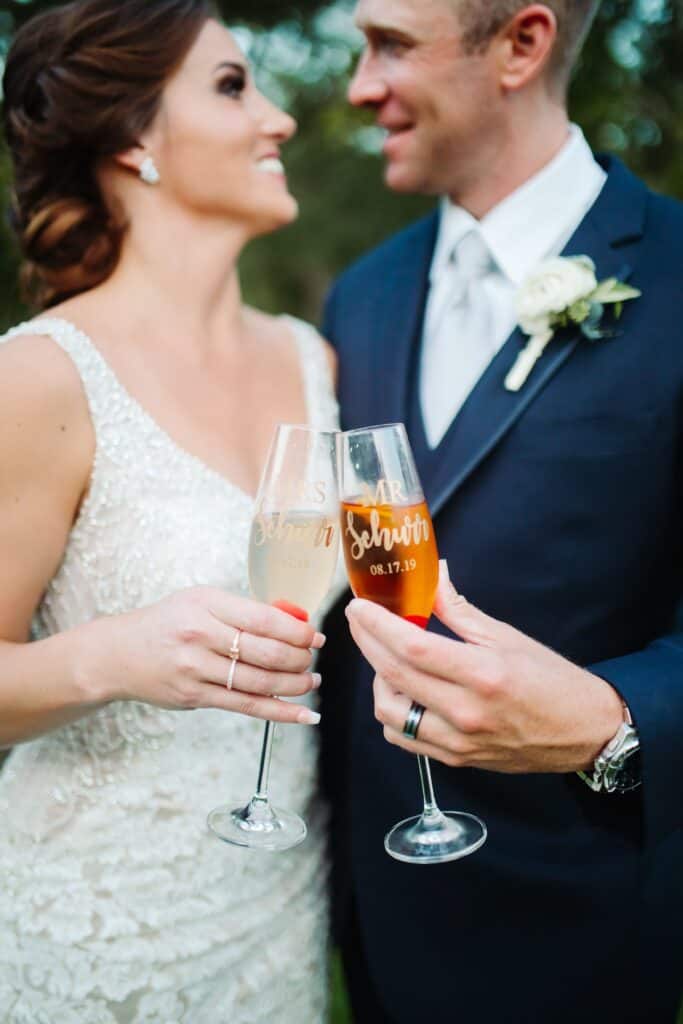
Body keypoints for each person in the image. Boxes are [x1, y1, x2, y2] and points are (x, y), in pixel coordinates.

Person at [318, 0, 683, 1021]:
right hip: (374, 926)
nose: (358, 85)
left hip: (589, 929)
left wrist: (608, 722)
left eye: (390, 44)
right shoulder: (358, 296)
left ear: (519, 44)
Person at [0, 1, 341, 1020]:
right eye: (234, 85)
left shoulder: (309, 360)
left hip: (276, 911)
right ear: (133, 137)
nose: (278, 117)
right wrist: (117, 655)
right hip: (92, 925)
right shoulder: (41, 380)